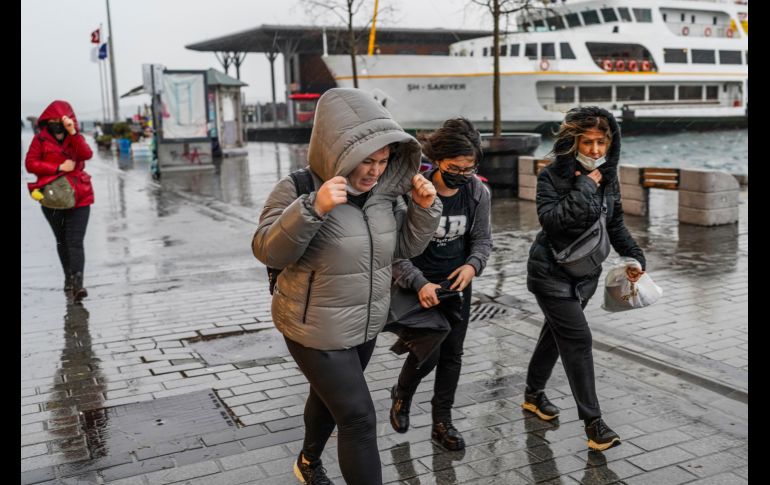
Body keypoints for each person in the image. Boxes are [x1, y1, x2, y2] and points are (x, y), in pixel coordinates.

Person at [252, 88, 443, 485]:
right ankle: (313, 463)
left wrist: (424, 211)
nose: (374, 171)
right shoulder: (298, 187)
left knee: (329, 400)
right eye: (366, 160)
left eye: (383, 161)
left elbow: (402, 248)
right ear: (338, 150)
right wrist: (312, 209)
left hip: (364, 323)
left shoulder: (384, 195)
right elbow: (267, 249)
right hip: (314, 329)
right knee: (358, 416)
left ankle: (307, 462)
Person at [521, 106, 646, 451]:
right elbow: (553, 222)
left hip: (585, 276)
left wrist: (634, 256)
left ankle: (533, 394)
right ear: (572, 142)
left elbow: (615, 224)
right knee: (578, 340)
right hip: (550, 273)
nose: (594, 150)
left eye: (601, 143)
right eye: (587, 142)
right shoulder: (551, 177)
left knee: (555, 334)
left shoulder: (609, 177)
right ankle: (594, 425)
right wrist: (584, 187)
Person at [388, 118, 492, 451]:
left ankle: (442, 422)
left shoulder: (477, 193)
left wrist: (472, 267)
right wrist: (418, 283)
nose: (462, 175)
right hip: (415, 284)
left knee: (453, 354)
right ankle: (402, 394)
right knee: (428, 351)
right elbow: (393, 250)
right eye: (455, 168)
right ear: (437, 160)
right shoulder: (410, 191)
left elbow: (482, 240)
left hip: (456, 284)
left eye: (470, 169)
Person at [25, 100, 94, 301]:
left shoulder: (75, 137)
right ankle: (68, 277)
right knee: (62, 240)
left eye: (61, 120)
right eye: (53, 120)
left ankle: (78, 283)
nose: (57, 124)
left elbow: (86, 154)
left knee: (75, 240)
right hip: (52, 197)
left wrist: (73, 133)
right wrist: (57, 168)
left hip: (80, 195)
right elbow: (30, 164)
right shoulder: (40, 140)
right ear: (47, 121)